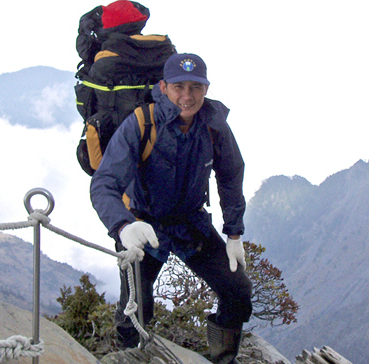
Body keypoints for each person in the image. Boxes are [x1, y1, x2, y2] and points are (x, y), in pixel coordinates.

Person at [90, 53, 252, 363]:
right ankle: (131, 357)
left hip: (191, 223)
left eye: (195, 87)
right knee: (136, 307)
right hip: (144, 224)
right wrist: (123, 227)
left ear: (206, 89)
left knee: (237, 290)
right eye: (179, 87)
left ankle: (223, 357)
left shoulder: (214, 124)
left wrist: (234, 233)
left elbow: (231, 175)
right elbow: (104, 183)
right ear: (163, 87)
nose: (187, 96)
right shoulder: (141, 122)